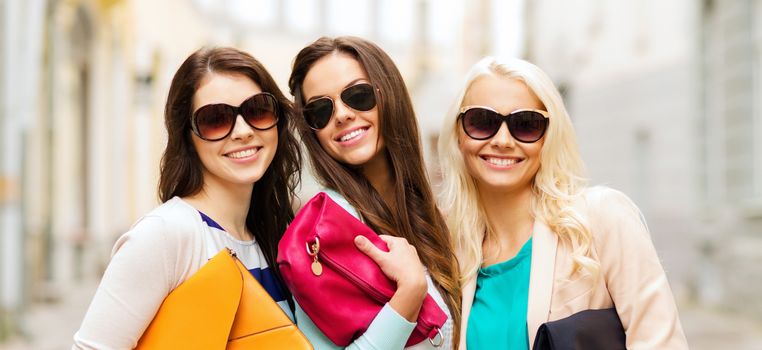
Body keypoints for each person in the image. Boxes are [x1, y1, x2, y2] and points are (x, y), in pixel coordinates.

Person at [437, 56, 689, 349]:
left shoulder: (601, 219)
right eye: (482, 122)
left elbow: (661, 342)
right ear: (458, 134)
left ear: (549, 136)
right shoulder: (447, 249)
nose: (503, 140)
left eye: (526, 124)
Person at [72, 47, 302, 349]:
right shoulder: (167, 234)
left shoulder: (270, 237)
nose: (243, 131)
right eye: (216, 119)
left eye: (258, 110)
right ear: (187, 138)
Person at [287, 36, 461, 349]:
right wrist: (408, 294)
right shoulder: (320, 234)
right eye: (320, 110)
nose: (341, 115)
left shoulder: (431, 217)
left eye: (357, 94)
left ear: (389, 94)